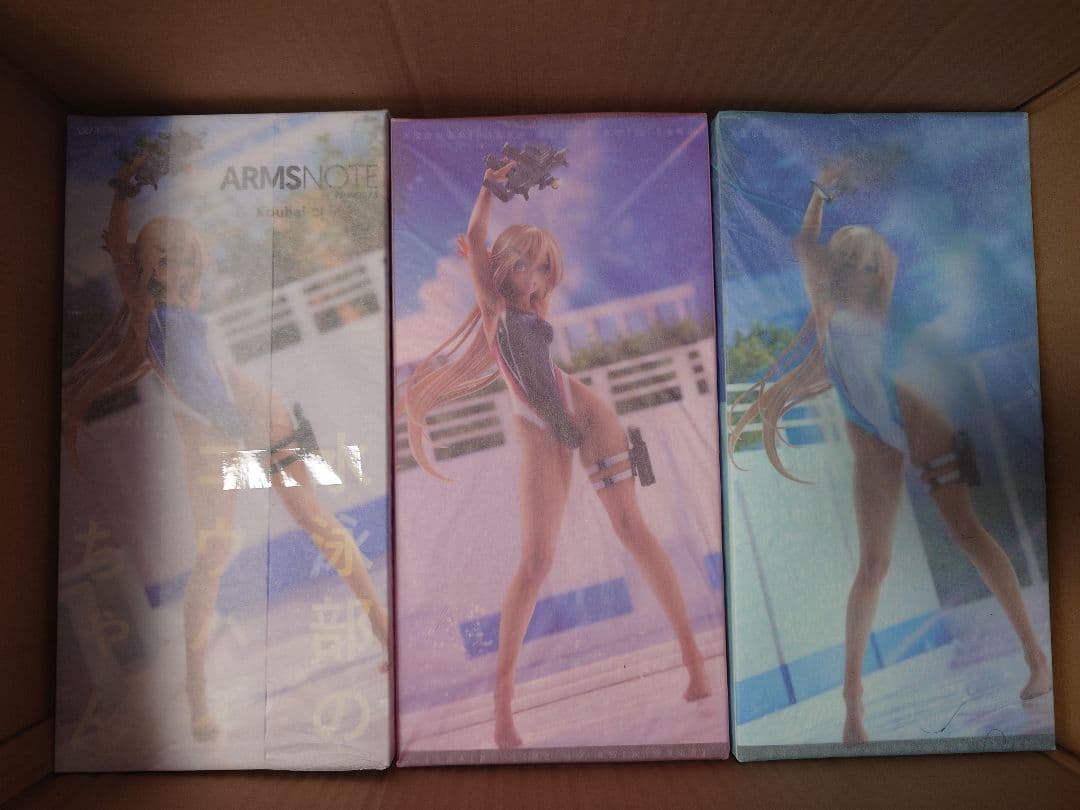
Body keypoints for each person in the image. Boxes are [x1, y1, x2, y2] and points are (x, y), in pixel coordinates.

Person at [63, 151, 389, 743]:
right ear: (142, 261)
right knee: (213, 558)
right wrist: (126, 187)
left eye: (184, 255)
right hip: (213, 436)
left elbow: (211, 372)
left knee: (316, 521)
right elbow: (118, 245)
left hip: (257, 414)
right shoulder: (144, 304)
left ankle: (383, 629)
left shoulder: (185, 305)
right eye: (162, 255)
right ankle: (197, 694)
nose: (176, 264)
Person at [728, 165, 1052, 744]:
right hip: (872, 433)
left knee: (967, 533)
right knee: (873, 566)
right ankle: (853, 705)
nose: (858, 270)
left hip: (918, 423)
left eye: (868, 264)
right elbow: (805, 244)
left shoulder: (883, 315)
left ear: (880, 273)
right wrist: (820, 194)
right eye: (849, 261)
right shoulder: (825, 311)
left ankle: (1036, 656)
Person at [396, 161, 711, 749]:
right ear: (503, 267)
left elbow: (546, 375)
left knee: (631, 529)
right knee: (536, 561)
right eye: (525, 264)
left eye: (544, 267)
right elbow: (478, 236)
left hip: (588, 415)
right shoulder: (495, 307)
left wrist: (568, 424)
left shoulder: (534, 311)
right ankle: (502, 705)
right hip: (543, 429)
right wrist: (488, 186)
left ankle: (694, 660)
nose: (536, 276)